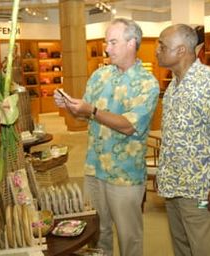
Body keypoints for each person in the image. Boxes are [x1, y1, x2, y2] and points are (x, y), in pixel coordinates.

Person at [54, 18, 159, 256]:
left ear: (132, 43)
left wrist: (91, 110)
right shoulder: (99, 76)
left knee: (128, 236)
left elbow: (129, 126)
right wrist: (70, 106)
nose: (106, 48)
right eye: (106, 42)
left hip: (125, 176)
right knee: (96, 233)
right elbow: (84, 118)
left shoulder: (147, 84)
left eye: (113, 42)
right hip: (94, 169)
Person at [155, 24, 210, 256]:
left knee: (208, 250)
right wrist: (164, 174)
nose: (157, 50)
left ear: (181, 50)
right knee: (183, 249)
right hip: (175, 189)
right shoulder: (173, 86)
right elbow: (174, 138)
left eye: (162, 45)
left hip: (202, 192)